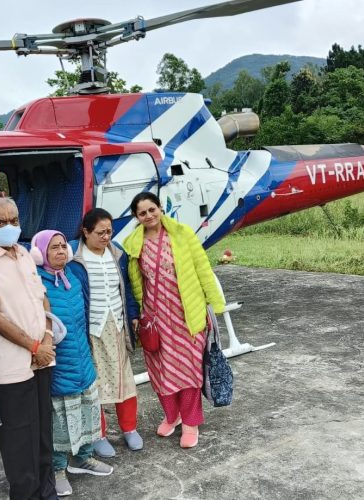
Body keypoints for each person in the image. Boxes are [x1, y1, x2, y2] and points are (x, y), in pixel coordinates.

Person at [0, 197, 57, 500]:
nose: (9, 227)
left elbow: (42, 299)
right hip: (10, 364)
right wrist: (33, 345)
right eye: (1, 222)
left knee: (43, 432)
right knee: (19, 439)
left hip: (42, 357)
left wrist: (46, 339)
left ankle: (48, 492)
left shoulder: (25, 254)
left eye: (14, 220)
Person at [122, 192, 225, 449]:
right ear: (136, 216)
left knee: (189, 371)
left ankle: (190, 423)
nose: (148, 216)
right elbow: (135, 283)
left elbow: (203, 269)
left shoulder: (182, 234)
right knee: (161, 372)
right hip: (155, 320)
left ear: (160, 208)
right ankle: (172, 415)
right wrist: (137, 316)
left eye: (152, 209)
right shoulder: (133, 244)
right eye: (142, 213)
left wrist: (214, 304)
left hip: (185, 315)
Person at [32, 229, 113, 497]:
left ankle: (83, 458)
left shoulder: (73, 278)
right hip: (58, 365)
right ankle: (57, 469)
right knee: (59, 421)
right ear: (40, 253)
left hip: (82, 359)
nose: (60, 251)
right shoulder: (37, 284)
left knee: (87, 410)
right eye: (53, 247)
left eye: (63, 246)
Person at [70, 208, 142, 458]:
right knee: (95, 384)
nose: (106, 237)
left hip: (117, 326)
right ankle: (98, 434)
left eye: (109, 231)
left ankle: (129, 428)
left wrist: (132, 314)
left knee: (125, 379)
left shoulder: (117, 253)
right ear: (85, 232)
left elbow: (127, 288)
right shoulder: (74, 256)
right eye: (100, 232)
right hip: (90, 329)